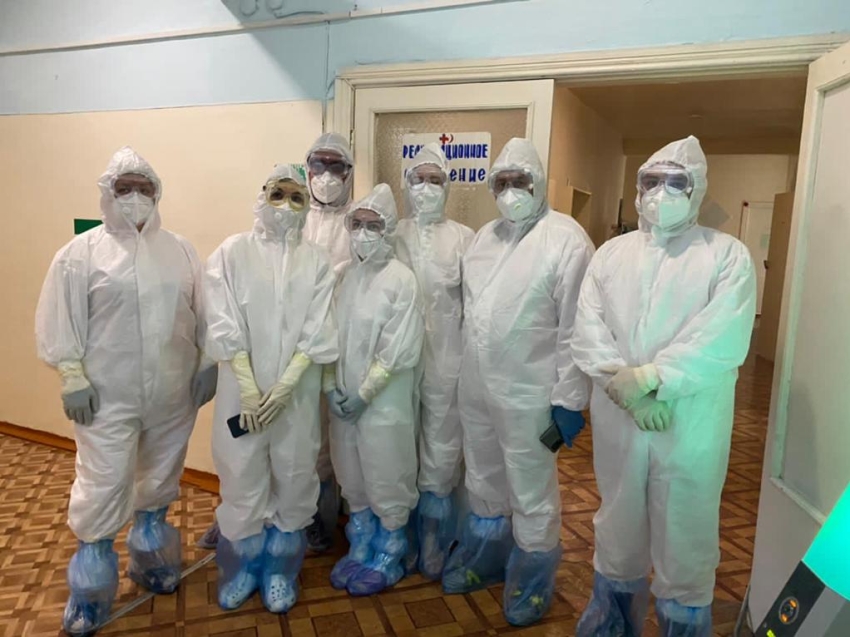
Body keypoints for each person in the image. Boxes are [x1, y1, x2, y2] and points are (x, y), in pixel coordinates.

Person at [572, 136, 756, 637]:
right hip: (620, 418)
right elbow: (588, 329)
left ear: (698, 190)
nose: (661, 192)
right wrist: (627, 390)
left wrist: (652, 379)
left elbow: (721, 338)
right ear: (637, 189)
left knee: (686, 531)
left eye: (677, 182)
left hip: (689, 423)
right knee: (618, 521)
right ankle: (612, 622)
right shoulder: (611, 255)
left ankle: (684, 623)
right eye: (651, 181)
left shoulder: (726, 255)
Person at [35, 147, 217, 636]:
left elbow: (204, 312)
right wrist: (72, 375)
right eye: (125, 188)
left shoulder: (180, 250)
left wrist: (208, 362)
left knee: (159, 479)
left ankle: (151, 560)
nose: (135, 196)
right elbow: (59, 320)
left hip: (173, 393)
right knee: (103, 484)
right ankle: (90, 592)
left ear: (158, 194)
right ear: (107, 193)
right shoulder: (80, 254)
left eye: (144, 188)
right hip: (105, 398)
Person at [442, 138, 594, 626]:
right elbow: (471, 313)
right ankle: (487, 558)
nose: (510, 192)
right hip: (477, 388)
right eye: (502, 183)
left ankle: (533, 580)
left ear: (539, 183)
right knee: (483, 477)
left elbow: (577, 328)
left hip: (531, 396)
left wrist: (570, 398)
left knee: (530, 489)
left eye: (520, 181)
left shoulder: (566, 240)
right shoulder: (484, 239)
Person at [203, 165, 338, 613]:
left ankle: (280, 570)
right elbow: (223, 321)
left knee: (295, 477)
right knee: (241, 475)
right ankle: (242, 568)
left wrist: (285, 386)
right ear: (262, 197)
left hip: (295, 398)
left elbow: (318, 329)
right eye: (278, 194)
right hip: (241, 396)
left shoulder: (317, 261)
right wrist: (247, 385)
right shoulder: (231, 253)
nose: (287, 205)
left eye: (297, 197)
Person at [326, 183, 424, 596]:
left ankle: (390, 552)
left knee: (387, 473)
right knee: (351, 475)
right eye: (357, 224)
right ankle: (361, 545)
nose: (363, 233)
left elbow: (398, 347)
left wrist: (365, 392)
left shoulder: (400, 279)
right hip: (343, 402)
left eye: (373, 225)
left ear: (388, 230)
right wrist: (330, 387)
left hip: (384, 403)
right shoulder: (342, 276)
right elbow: (325, 336)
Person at [395, 143, 473, 580]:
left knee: (442, 449)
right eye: (418, 179)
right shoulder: (392, 233)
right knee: (399, 444)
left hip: (447, 358)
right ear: (406, 185)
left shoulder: (465, 238)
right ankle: (401, 534)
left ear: (448, 186)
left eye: (435, 180)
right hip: (397, 360)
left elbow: (476, 305)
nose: (426, 188)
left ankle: (434, 538)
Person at [303, 133, 356, 551]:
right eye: (318, 165)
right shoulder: (293, 215)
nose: (326, 175)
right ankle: (297, 515)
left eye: (335, 165)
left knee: (336, 437)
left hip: (344, 347)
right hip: (296, 347)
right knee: (299, 434)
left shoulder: (360, 221)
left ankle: (328, 517)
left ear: (349, 172)